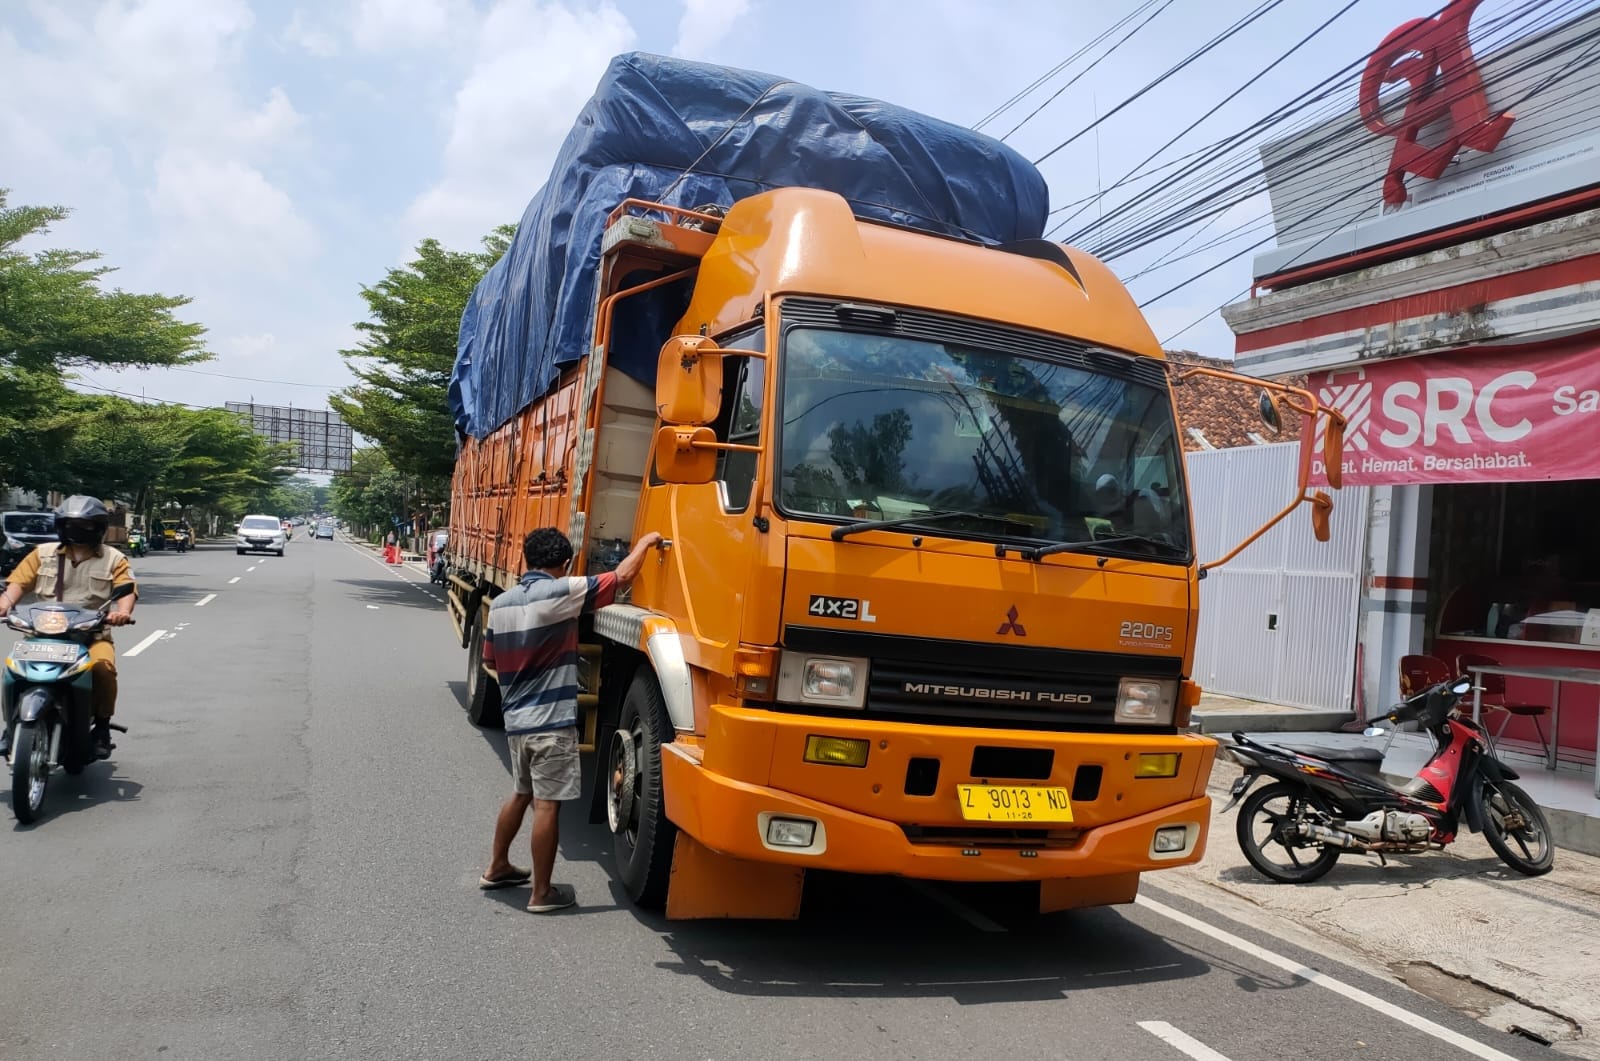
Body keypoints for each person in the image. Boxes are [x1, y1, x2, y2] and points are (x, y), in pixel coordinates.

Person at [479, 526, 662, 913]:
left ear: (527, 559)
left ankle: (496, 867)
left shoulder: (502, 604)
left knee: (521, 792)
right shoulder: (561, 592)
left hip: (517, 722)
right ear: (564, 564)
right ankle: (542, 893)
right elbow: (622, 577)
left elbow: (489, 661)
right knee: (547, 804)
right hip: (550, 722)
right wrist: (646, 543)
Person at [0, 496, 137, 758]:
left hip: (91, 636)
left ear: (97, 527)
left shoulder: (114, 558)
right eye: (71, 524)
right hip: (41, 636)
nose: (77, 530)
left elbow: (126, 591)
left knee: (104, 668)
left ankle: (102, 728)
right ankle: (10, 727)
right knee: (12, 671)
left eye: (84, 525)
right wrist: (4, 605)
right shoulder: (42, 553)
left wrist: (122, 613)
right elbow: (17, 584)